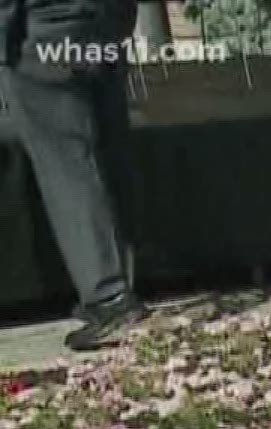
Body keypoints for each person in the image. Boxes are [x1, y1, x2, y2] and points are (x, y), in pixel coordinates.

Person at [0, 0, 144, 350]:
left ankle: (109, 297)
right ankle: (120, 282)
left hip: (42, 28)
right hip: (102, 21)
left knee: (68, 166)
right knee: (107, 153)